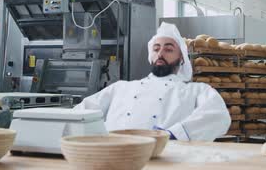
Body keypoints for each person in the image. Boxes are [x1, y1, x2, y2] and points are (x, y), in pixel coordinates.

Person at [75, 22, 231, 141]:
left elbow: (218, 116)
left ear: (182, 57)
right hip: (112, 157)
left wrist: (174, 134)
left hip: (164, 161)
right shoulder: (121, 87)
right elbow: (81, 112)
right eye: (156, 49)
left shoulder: (197, 91)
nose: (160, 53)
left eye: (168, 49)